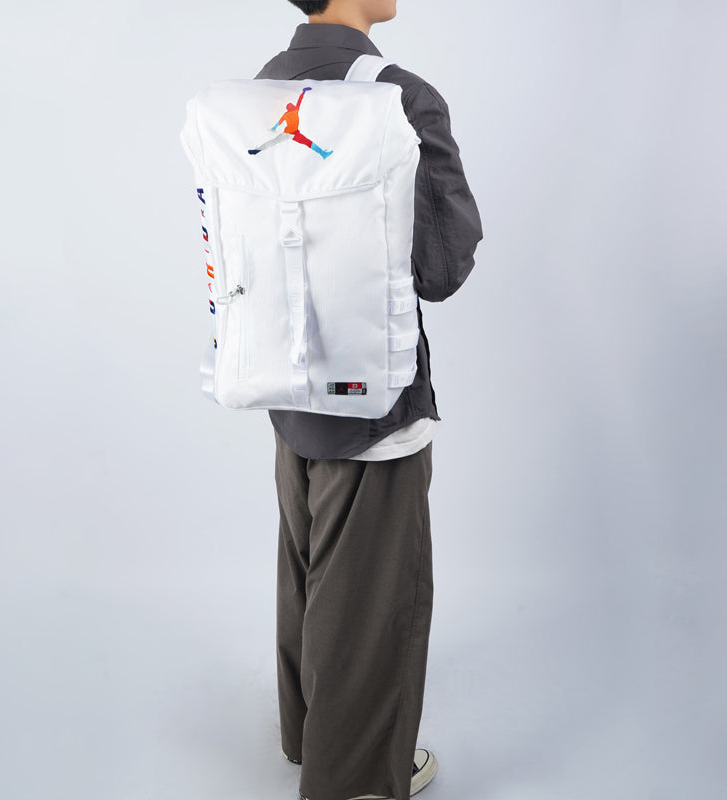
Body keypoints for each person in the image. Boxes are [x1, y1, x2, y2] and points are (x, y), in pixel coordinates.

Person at [254, 2, 483, 798]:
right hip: (375, 398)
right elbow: (442, 267)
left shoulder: (264, 87)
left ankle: (308, 735)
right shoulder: (401, 96)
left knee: (311, 567)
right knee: (374, 591)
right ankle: (353, 777)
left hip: (287, 382)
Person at [248, 86, 334, 158]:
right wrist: (303, 92)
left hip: (291, 133)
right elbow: (299, 101)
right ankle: (322, 153)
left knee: (273, 142)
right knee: (308, 143)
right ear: (292, 107)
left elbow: (279, 122)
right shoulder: (295, 110)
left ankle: (257, 150)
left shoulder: (286, 114)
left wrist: (274, 127)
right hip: (291, 134)